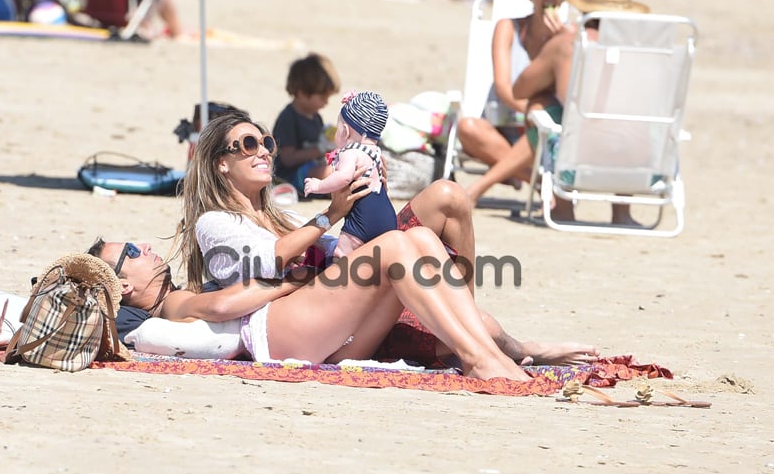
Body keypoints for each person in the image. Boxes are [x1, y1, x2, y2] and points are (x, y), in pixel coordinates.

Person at [178, 113, 532, 380]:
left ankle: (484, 353)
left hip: (331, 330)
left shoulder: (284, 216)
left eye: (266, 143)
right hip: (276, 333)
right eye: (249, 145)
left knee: (419, 238)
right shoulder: (214, 222)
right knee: (395, 244)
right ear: (220, 163)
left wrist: (372, 194)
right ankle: (476, 356)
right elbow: (272, 260)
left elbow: (345, 255)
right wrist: (331, 213)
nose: (264, 153)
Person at [503, 0, 650, 224]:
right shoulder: (648, 50)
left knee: (542, 105)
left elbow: (519, 91)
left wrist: (554, 45)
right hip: (642, 161)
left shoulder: (567, 44)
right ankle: (622, 212)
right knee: (625, 121)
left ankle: (563, 209)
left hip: (581, 160)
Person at [454, 0, 575, 206]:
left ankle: (481, 187)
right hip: (505, 126)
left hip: (543, 133)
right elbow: (504, 88)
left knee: (542, 117)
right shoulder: (508, 27)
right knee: (468, 127)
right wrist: (532, 113)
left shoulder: (568, 39)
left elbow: (564, 95)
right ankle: (538, 181)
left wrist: (557, 43)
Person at [303, 91, 398, 257]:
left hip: (362, 220)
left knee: (342, 253)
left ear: (345, 131)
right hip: (387, 217)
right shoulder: (376, 152)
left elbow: (344, 177)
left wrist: (318, 185)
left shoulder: (351, 152)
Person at [271, 52, 340, 191]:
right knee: (330, 173)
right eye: (322, 97)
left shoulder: (315, 117)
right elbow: (288, 159)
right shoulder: (288, 118)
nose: (326, 102)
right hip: (289, 176)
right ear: (302, 93)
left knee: (340, 168)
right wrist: (320, 149)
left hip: (311, 170)